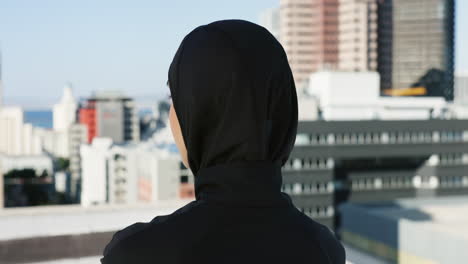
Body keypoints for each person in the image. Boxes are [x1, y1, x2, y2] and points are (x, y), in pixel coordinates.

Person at [100, 19, 346, 264]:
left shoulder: (138, 254)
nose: (171, 115)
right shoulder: (324, 248)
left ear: (199, 111)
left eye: (175, 97)